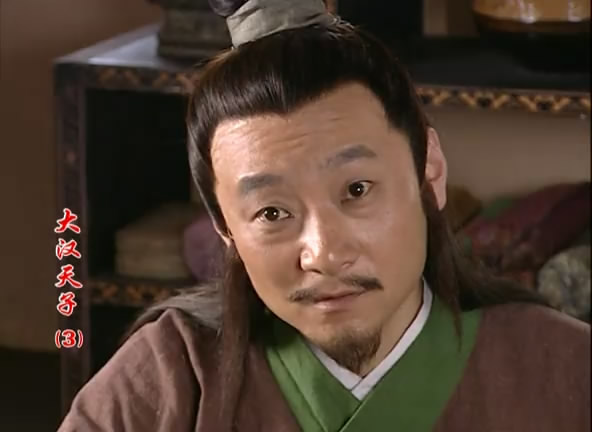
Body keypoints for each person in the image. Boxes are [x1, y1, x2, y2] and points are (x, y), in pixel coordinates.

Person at [57, 0, 590, 430]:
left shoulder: (565, 368)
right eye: (271, 212)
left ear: (429, 172)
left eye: (356, 190)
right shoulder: (168, 380)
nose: (325, 254)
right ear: (225, 229)